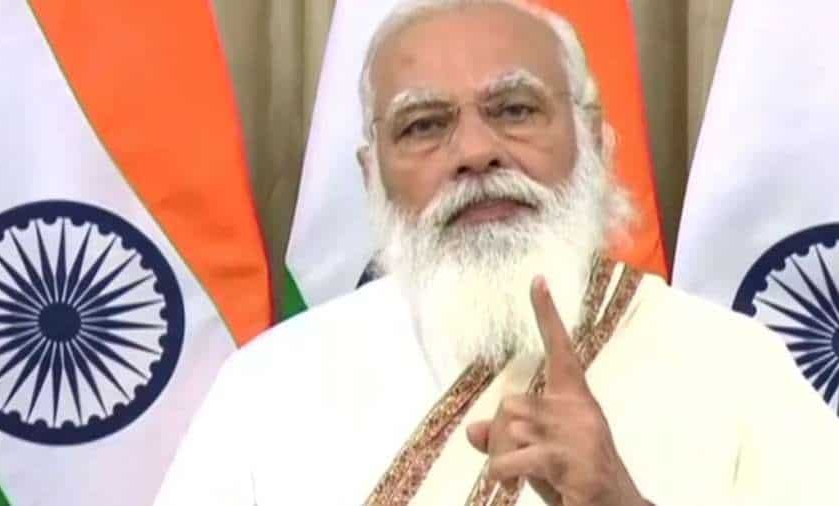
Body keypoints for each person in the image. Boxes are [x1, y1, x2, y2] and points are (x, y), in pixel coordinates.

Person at [155, 0, 839, 504]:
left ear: (596, 144)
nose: (476, 152)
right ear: (372, 176)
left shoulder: (736, 366)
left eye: (515, 110)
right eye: (424, 125)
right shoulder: (270, 384)